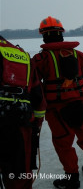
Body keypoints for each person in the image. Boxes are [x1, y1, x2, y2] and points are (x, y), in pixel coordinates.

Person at [32, 16, 83, 189]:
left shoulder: (40, 58)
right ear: (61, 33)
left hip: (57, 107)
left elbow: (33, 83)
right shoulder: (79, 55)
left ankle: (72, 178)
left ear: (44, 35)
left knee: (63, 142)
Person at [0, 35, 46, 189]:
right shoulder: (20, 54)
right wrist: (37, 123)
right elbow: (37, 95)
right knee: (19, 172)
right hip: (20, 119)